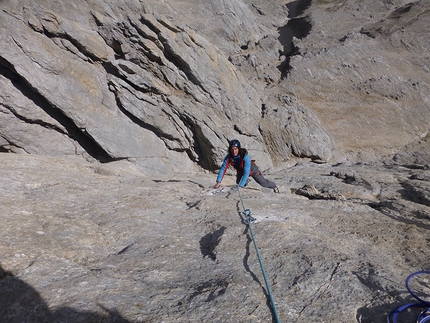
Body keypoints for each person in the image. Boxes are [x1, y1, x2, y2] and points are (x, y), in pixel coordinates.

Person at [214, 139, 279, 192]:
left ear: (238, 149)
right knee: (238, 182)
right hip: (241, 171)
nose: (234, 151)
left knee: (264, 183)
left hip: (252, 171)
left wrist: (241, 186)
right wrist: (218, 182)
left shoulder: (245, 157)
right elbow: (223, 168)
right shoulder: (229, 157)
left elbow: (246, 172)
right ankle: (245, 181)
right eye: (232, 149)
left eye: (235, 149)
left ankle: (275, 186)